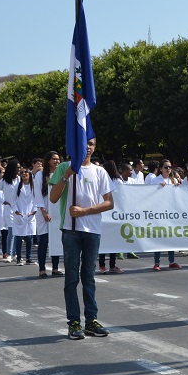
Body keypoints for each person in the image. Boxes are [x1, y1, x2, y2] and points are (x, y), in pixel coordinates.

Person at [49, 138, 114, 339]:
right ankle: (74, 322)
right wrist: (66, 176)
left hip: (92, 231)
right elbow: (53, 197)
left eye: (92, 143)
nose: (88, 146)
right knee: (71, 278)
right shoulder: (64, 167)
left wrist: (84, 211)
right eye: (84, 142)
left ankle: (91, 321)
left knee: (88, 277)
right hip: (71, 230)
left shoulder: (100, 171)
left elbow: (109, 203)